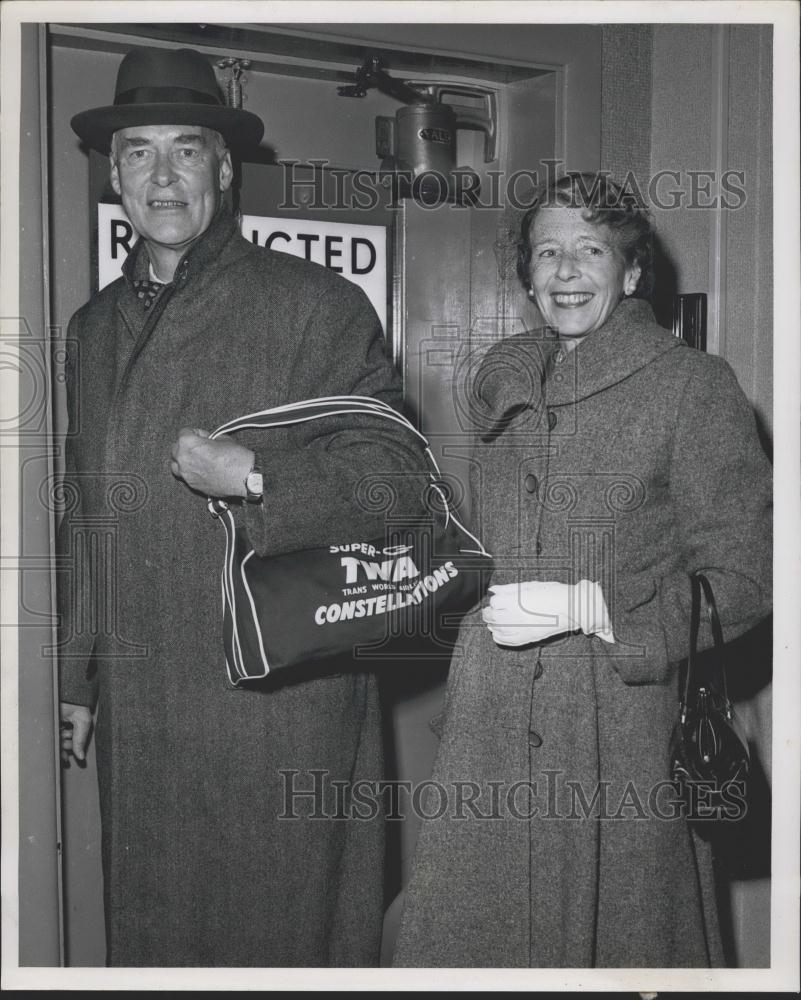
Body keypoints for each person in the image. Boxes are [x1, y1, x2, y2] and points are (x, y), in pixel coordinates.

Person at [58, 46, 426, 967]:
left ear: (225, 167)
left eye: (187, 149)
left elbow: (397, 481)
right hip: (147, 709)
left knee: (283, 943)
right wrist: (76, 676)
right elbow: (86, 512)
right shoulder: (92, 328)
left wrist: (258, 478)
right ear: (115, 174)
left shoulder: (315, 305)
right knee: (158, 944)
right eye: (140, 152)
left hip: (277, 704)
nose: (164, 175)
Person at [392, 173, 772, 967]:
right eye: (547, 253)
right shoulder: (502, 384)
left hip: (613, 724)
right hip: (488, 720)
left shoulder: (690, 388)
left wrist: (598, 610)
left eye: (589, 251)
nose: (566, 271)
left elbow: (746, 575)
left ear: (631, 273)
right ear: (527, 279)